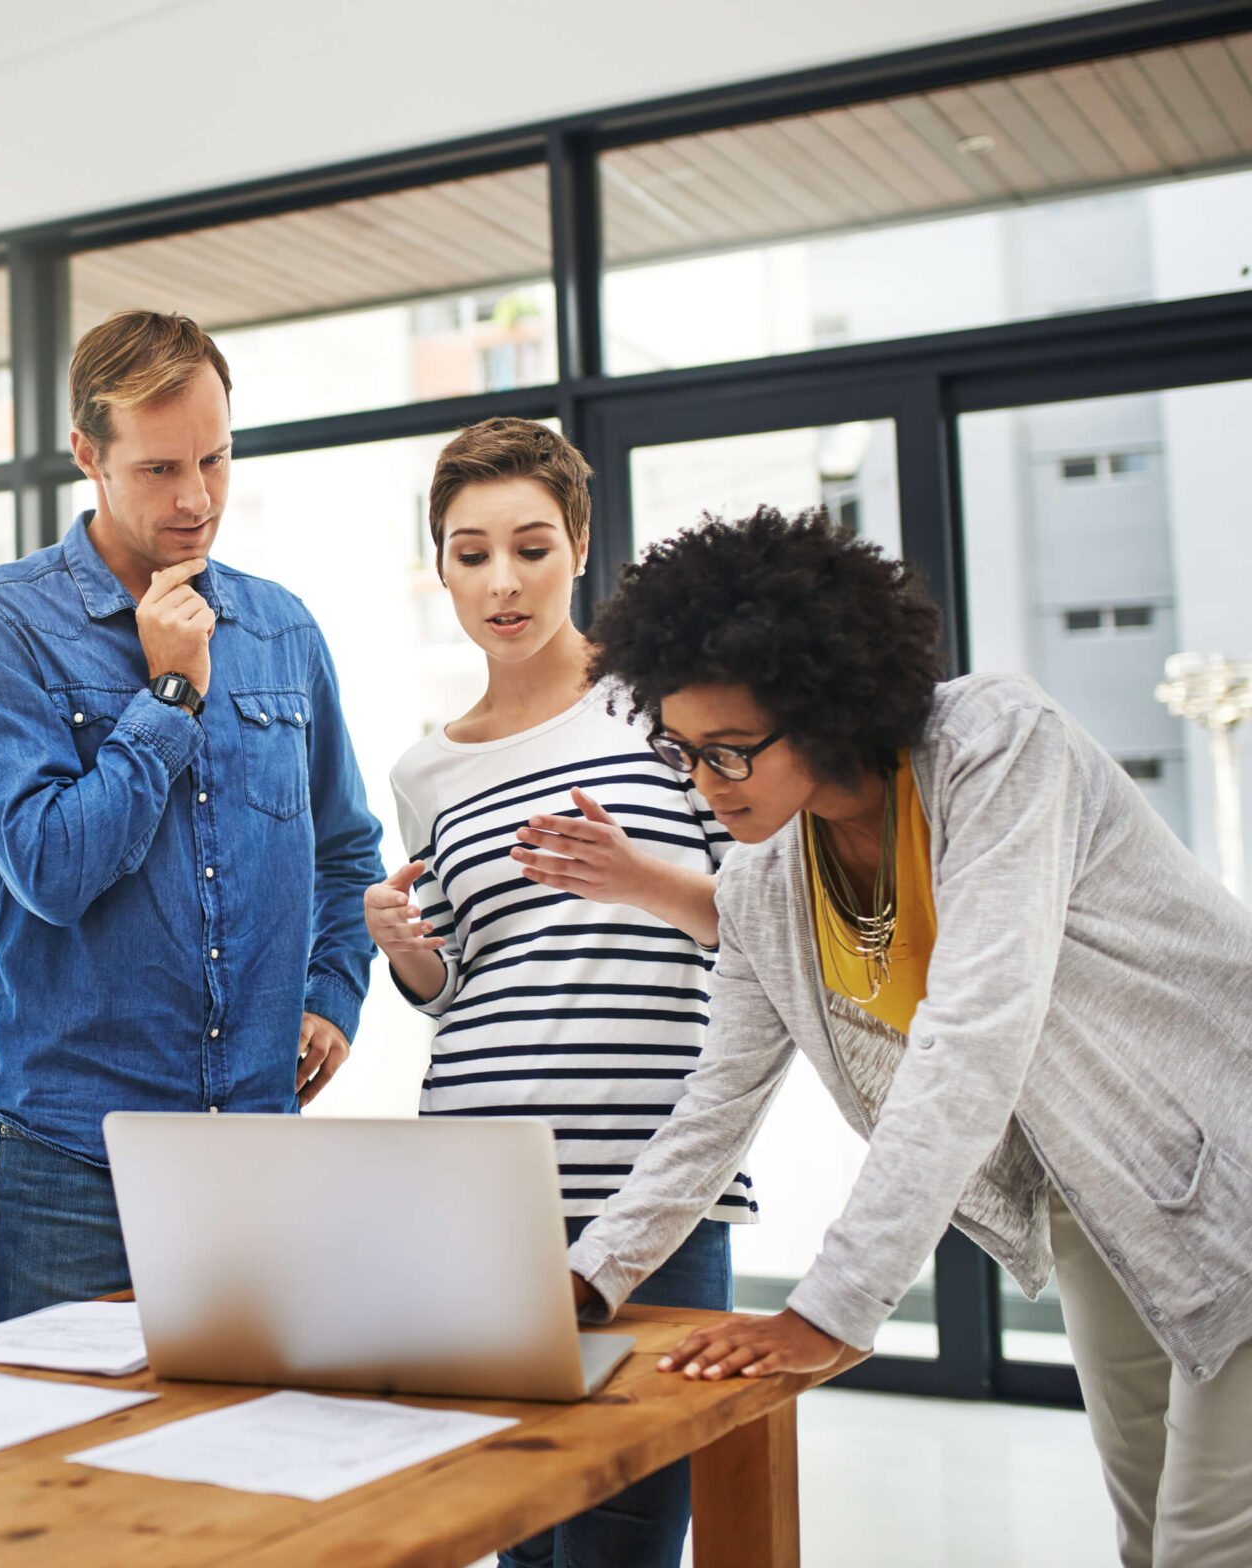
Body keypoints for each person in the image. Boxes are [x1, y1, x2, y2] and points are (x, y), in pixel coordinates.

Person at [570, 506, 1252, 1567]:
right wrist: (587, 1275)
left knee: (1207, 1542)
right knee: (1147, 1529)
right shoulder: (760, 884)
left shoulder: (996, 743)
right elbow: (715, 1106)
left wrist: (832, 1305)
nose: (703, 784)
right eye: (680, 751)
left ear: (824, 704)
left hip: (1231, 1151)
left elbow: (973, 1030)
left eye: (730, 751)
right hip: (1095, 1199)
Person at [0, 310, 383, 1324]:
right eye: (156, 470)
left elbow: (345, 845)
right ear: (87, 454)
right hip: (73, 1152)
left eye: (215, 459)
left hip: (254, 1144)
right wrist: (171, 695)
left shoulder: (281, 627)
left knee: (255, 1460)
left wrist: (331, 992)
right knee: (58, 1471)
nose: (196, 498)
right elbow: (48, 867)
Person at [367, 418, 740, 1568]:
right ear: (440, 566)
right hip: (479, 1186)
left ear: (578, 542)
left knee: (625, 1530)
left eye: (529, 546)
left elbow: (764, 922)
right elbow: (463, 980)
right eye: (469, 552)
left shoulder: (666, 707)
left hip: (651, 1179)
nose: (502, 580)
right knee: (515, 1527)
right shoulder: (427, 768)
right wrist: (408, 952)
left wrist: (640, 876)